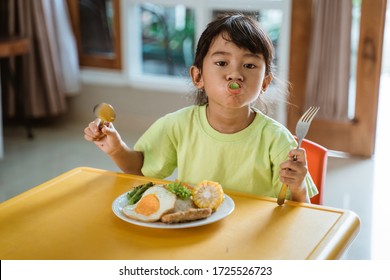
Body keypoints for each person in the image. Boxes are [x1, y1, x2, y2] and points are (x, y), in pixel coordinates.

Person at [84, 13, 318, 203]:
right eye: (221, 63)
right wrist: (116, 148)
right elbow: (141, 170)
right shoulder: (177, 125)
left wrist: (298, 188)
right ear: (198, 76)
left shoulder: (278, 140)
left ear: (265, 83)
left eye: (249, 65)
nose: (235, 74)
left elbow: (299, 210)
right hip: (193, 228)